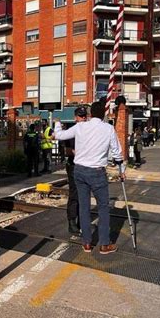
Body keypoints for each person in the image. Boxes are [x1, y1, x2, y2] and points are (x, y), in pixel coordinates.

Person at [54, 102, 125, 255]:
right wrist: (121, 170)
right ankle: (104, 245)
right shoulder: (108, 128)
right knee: (103, 208)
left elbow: (59, 136)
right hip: (97, 172)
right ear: (104, 114)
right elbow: (117, 152)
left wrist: (57, 124)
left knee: (84, 207)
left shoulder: (80, 127)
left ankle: (87, 243)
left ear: (90, 114)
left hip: (79, 171)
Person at [64, 106, 87, 235]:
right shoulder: (71, 132)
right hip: (73, 166)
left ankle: (81, 221)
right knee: (75, 194)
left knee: (83, 195)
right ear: (75, 118)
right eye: (80, 116)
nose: (83, 118)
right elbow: (68, 151)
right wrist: (81, 153)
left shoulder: (88, 131)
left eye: (84, 116)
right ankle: (72, 223)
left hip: (84, 166)